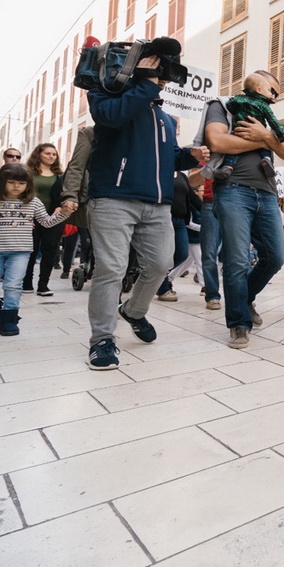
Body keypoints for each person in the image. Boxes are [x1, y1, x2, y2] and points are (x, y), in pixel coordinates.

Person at [83, 50, 209, 370]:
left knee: (161, 264)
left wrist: (191, 155)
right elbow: (111, 117)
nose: (164, 79)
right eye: (158, 72)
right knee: (111, 269)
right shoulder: (105, 95)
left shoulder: (165, 118)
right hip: (113, 199)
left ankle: (134, 312)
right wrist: (144, 82)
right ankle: (102, 339)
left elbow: (168, 159)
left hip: (157, 206)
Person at [204, 70, 284, 348]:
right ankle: (239, 324)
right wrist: (264, 140)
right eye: (273, 91)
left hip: (267, 193)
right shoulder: (222, 105)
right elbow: (217, 141)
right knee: (237, 261)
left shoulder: (265, 115)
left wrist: (266, 134)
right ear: (260, 85)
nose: (275, 98)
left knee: (275, 257)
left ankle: (243, 299)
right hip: (232, 189)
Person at [0, 163, 71, 335]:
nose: (16, 186)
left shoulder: (33, 202)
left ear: (28, 184)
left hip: (20, 252)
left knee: (13, 285)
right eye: (11, 182)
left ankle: (9, 319)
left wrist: (63, 213)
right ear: (1, 182)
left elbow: (46, 222)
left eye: (21, 183)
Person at [213, 73, 284, 179]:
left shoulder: (238, 99)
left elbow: (229, 105)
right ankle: (267, 160)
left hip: (238, 132)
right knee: (265, 150)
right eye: (271, 91)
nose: (272, 97)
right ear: (259, 89)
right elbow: (274, 122)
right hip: (256, 136)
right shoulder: (263, 106)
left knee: (232, 154)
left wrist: (236, 113)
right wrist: (277, 136)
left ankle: (228, 167)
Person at [22, 143, 66, 297]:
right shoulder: (27, 173)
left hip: (54, 217)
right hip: (31, 217)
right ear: (38, 154)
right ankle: (26, 283)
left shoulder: (60, 175)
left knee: (50, 250)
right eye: (48, 153)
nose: (51, 156)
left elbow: (64, 194)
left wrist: (61, 206)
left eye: (54, 154)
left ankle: (43, 286)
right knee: (30, 250)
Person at [154, 171, 201, 301]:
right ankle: (163, 288)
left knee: (182, 254)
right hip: (164, 219)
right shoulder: (159, 172)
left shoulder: (182, 176)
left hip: (180, 222)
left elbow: (192, 197)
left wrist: (209, 210)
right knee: (164, 254)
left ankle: (157, 278)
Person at [60, 127, 94, 281]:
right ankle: (68, 268)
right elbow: (75, 169)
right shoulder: (89, 133)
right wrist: (70, 197)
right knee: (81, 242)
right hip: (87, 204)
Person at [199, 176, 222, 310]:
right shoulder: (209, 155)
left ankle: (242, 296)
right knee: (209, 252)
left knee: (239, 253)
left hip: (235, 201)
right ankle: (212, 295)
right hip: (210, 201)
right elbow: (194, 178)